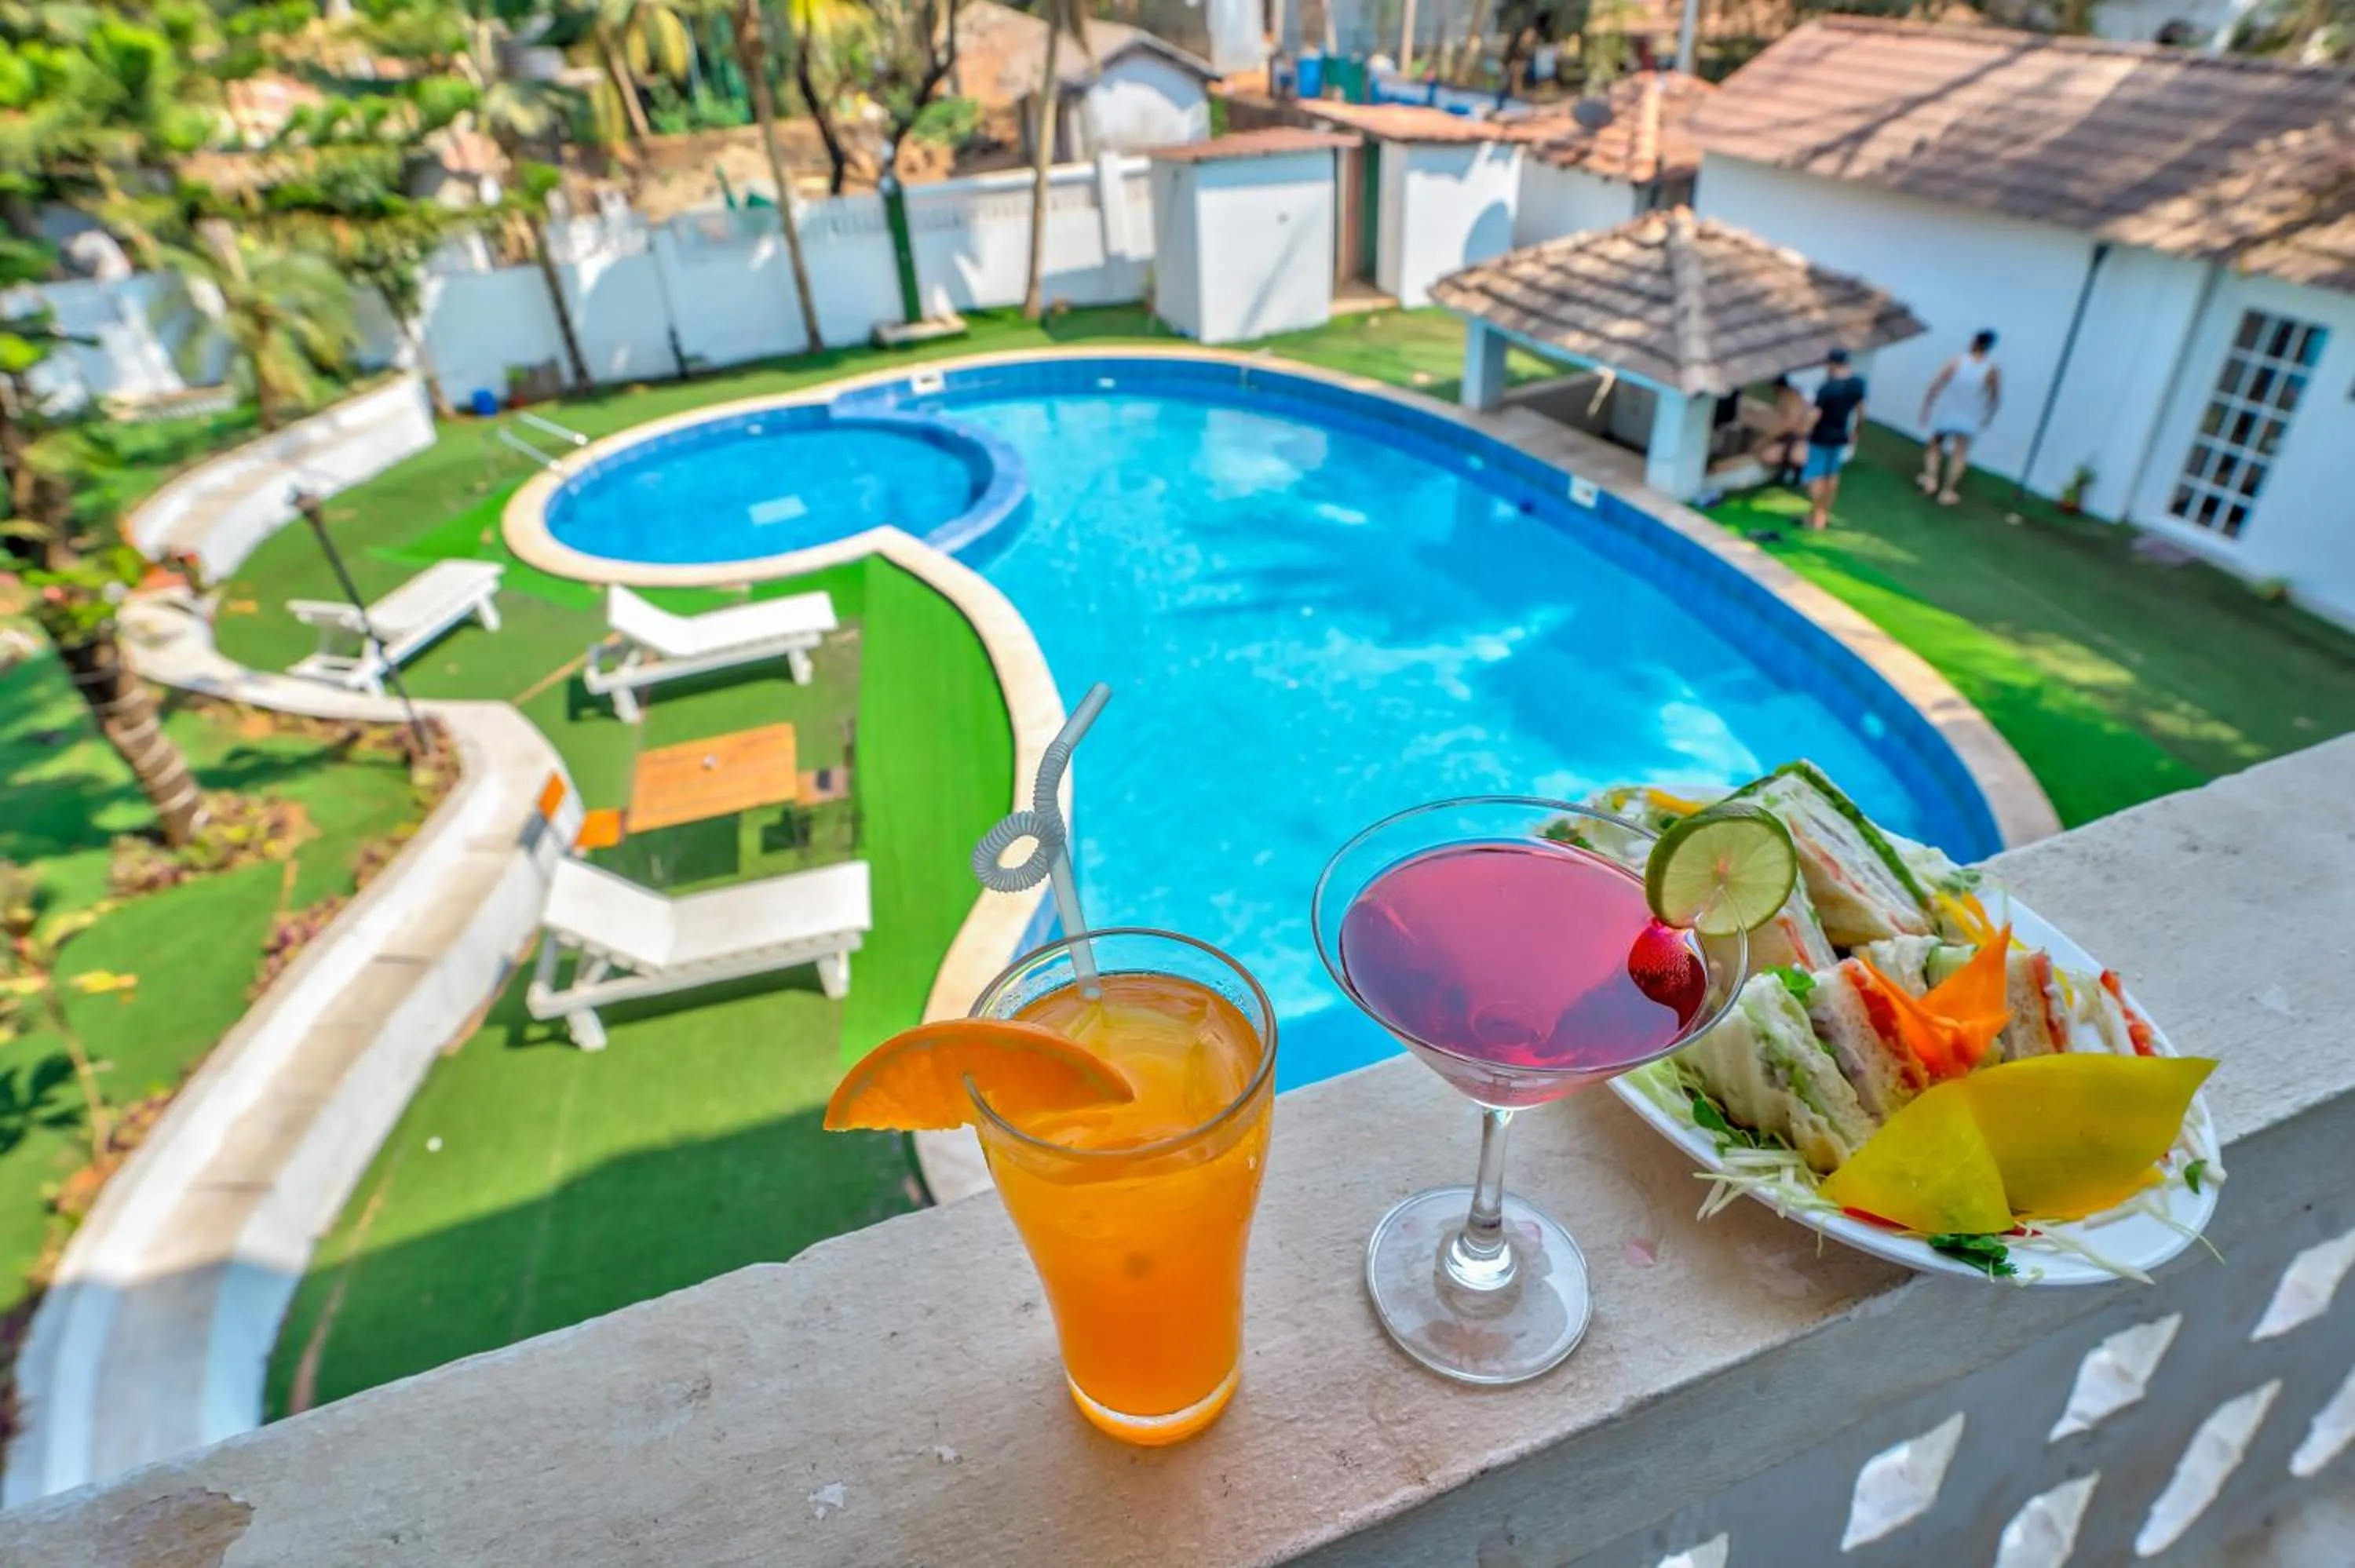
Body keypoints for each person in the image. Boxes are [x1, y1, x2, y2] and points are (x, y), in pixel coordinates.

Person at [1917, 330, 2002, 507]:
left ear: (1974, 342)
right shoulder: (1991, 369)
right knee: (1960, 453)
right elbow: (1995, 397)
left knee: (1935, 444)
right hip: (1970, 415)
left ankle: (1931, 480)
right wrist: (1988, 415)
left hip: (1949, 412)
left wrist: (1927, 406)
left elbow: (1936, 384)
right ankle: (1947, 491)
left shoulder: (1957, 361)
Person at [1803, 348, 1868, 531]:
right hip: (1841, 436)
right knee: (1832, 477)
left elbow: (1815, 415)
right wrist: (1856, 432)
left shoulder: (1826, 388)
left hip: (1820, 437)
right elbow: (1861, 411)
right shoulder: (1858, 384)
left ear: (1831, 364)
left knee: (1814, 477)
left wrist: (1804, 432)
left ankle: (1816, 516)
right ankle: (1822, 514)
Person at [1752, 374, 1813, 487]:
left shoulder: (1790, 397)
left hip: (1797, 439)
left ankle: (1797, 472)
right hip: (1795, 437)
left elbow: (1788, 424)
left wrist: (1766, 440)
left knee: (1763, 453)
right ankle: (1789, 471)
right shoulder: (1793, 395)